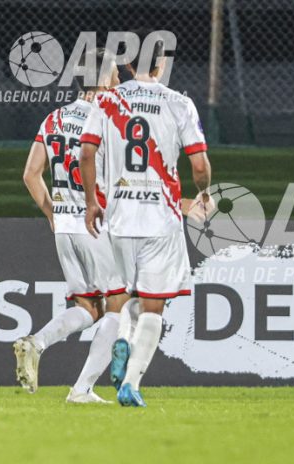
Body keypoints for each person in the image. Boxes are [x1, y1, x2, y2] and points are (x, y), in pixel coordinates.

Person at [79, 35, 211, 407]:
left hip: (120, 218)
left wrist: (91, 203)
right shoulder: (179, 102)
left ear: (128, 64)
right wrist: (203, 192)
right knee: (154, 307)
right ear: (161, 64)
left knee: (125, 296)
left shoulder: (106, 100)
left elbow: (86, 154)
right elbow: (200, 165)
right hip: (161, 220)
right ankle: (131, 384)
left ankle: (122, 337)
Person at [15, 49, 131, 403]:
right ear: (105, 79)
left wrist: (52, 213)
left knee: (88, 307)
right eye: (115, 74)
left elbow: (31, 175)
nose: (120, 80)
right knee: (120, 304)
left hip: (65, 226)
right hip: (95, 223)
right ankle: (82, 389)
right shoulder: (107, 119)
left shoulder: (54, 118)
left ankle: (36, 342)